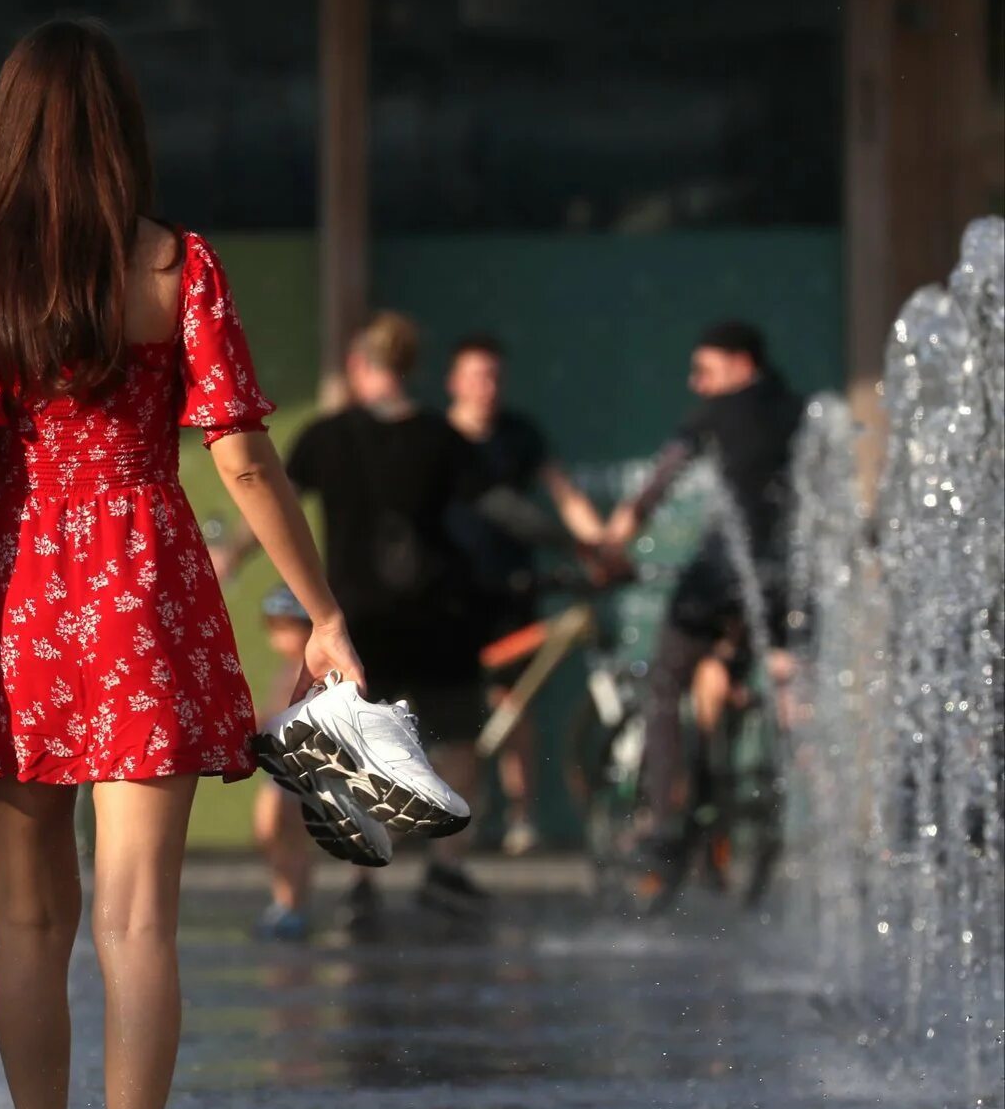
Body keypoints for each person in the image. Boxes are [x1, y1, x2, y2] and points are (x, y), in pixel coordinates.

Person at [0, 19, 365, 1109]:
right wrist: (322, 610)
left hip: (15, 605)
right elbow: (243, 454)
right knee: (139, 923)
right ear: (121, 131)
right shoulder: (176, 266)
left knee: (29, 925)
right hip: (144, 588)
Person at [267, 313, 577, 926]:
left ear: (358, 367)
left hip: (358, 622)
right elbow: (501, 507)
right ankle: (446, 867)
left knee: (357, 745)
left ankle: (362, 883)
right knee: (458, 739)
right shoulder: (442, 437)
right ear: (411, 368)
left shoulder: (325, 437)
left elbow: (270, 503)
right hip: (439, 616)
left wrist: (225, 553)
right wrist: (574, 546)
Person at [601, 321, 803, 902]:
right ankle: (736, 765)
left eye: (705, 370)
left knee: (665, 680)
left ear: (742, 366)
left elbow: (657, 484)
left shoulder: (716, 412)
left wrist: (613, 547)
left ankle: (667, 819)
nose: (696, 383)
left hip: (719, 578)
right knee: (758, 678)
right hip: (784, 580)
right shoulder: (803, 411)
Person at [441, 335, 604, 854]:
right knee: (451, 702)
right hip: (449, 594)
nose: (486, 387)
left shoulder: (519, 435)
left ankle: (521, 817)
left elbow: (565, 494)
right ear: (454, 382)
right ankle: (451, 813)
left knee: (514, 702)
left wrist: (597, 547)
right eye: (475, 376)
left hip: (512, 591)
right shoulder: (434, 439)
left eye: (494, 376)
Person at [249, 587, 319, 942]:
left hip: (302, 769)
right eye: (275, 628)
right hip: (281, 767)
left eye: (288, 628)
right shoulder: (288, 669)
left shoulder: (315, 670)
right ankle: (283, 899)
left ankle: (294, 904)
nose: (281, 638)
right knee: (269, 830)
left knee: (290, 833)